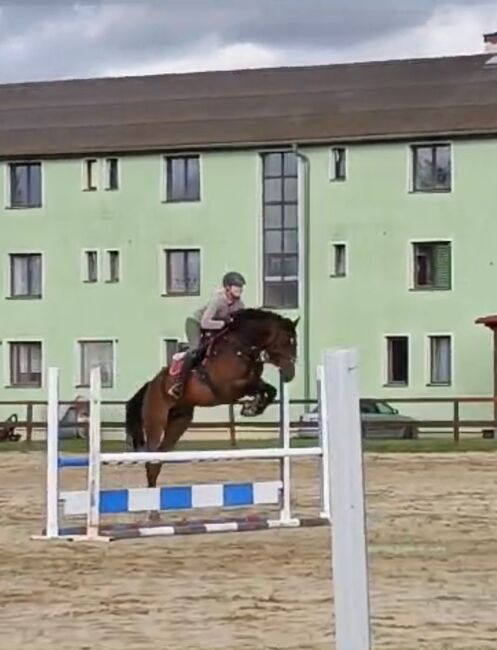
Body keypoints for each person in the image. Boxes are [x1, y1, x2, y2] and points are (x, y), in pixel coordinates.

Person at [167, 271, 246, 399]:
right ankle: (178, 385)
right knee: (195, 350)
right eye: (237, 286)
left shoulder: (239, 304)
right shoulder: (218, 301)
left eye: (241, 287)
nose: (240, 290)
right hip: (196, 323)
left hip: (214, 326)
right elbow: (205, 322)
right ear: (227, 287)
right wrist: (223, 323)